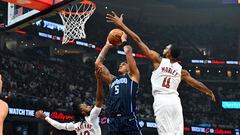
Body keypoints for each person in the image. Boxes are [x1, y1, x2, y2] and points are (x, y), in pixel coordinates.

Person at [106, 12, 216, 135]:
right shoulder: (181, 71)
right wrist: (209, 91)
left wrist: (122, 25)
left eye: (166, 47)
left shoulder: (158, 60)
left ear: (169, 53)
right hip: (175, 102)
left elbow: (138, 41)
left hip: (162, 101)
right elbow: (196, 83)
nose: (164, 48)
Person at [95, 38, 142, 135]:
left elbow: (128, 51)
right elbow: (98, 64)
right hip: (113, 120)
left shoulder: (133, 77)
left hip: (128, 118)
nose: (121, 64)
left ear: (130, 68)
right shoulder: (112, 80)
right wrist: (107, 46)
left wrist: (124, 40)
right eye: (121, 63)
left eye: (124, 64)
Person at [35, 69, 104, 135]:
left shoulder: (76, 124)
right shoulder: (92, 117)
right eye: (86, 106)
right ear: (83, 112)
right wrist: (99, 79)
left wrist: (45, 117)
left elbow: (59, 126)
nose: (89, 106)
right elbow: (99, 99)